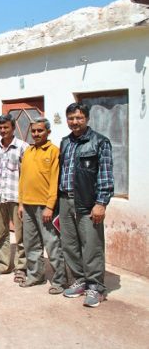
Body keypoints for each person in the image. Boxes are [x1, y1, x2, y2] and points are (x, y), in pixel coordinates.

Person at [59, 103, 114, 308]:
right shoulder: (65, 142)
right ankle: (80, 280)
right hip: (65, 199)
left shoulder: (99, 142)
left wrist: (101, 203)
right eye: (71, 118)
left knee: (91, 246)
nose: (75, 122)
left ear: (87, 119)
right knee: (69, 244)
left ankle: (96, 287)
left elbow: (105, 174)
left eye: (79, 118)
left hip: (88, 202)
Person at [18, 118, 66, 293]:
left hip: (45, 207)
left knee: (52, 244)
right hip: (28, 205)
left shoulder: (53, 152)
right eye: (34, 131)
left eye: (40, 131)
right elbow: (22, 179)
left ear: (48, 132)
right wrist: (21, 203)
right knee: (31, 244)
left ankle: (60, 281)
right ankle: (35, 276)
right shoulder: (29, 151)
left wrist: (50, 206)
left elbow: (54, 182)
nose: (36, 134)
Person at [0, 114, 29, 283]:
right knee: (1, 233)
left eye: (6, 127)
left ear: (13, 127)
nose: (3, 131)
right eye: (1, 128)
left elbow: (26, 175)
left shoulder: (22, 147)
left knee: (20, 235)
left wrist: (23, 201)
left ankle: (21, 267)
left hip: (16, 197)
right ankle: (4, 264)